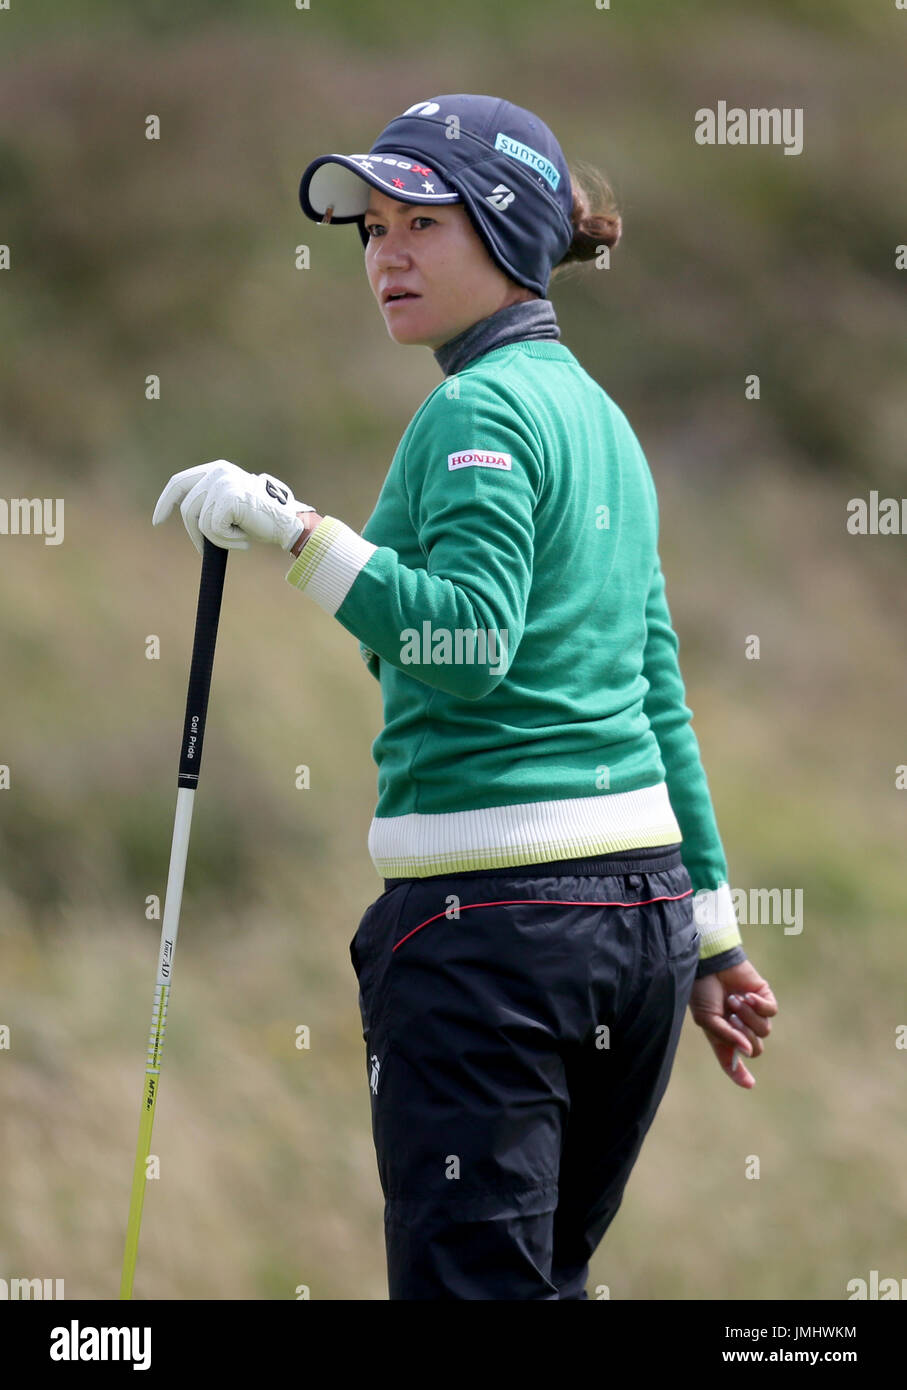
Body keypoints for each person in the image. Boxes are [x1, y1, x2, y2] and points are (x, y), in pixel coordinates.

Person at [153, 93, 778, 1301]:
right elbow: (659, 696)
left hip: (496, 930)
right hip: (636, 926)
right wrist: (711, 932)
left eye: (418, 222)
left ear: (502, 228)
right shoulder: (601, 419)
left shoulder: (476, 406)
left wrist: (292, 528)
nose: (383, 252)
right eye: (370, 228)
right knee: (549, 1284)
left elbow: (465, 637)